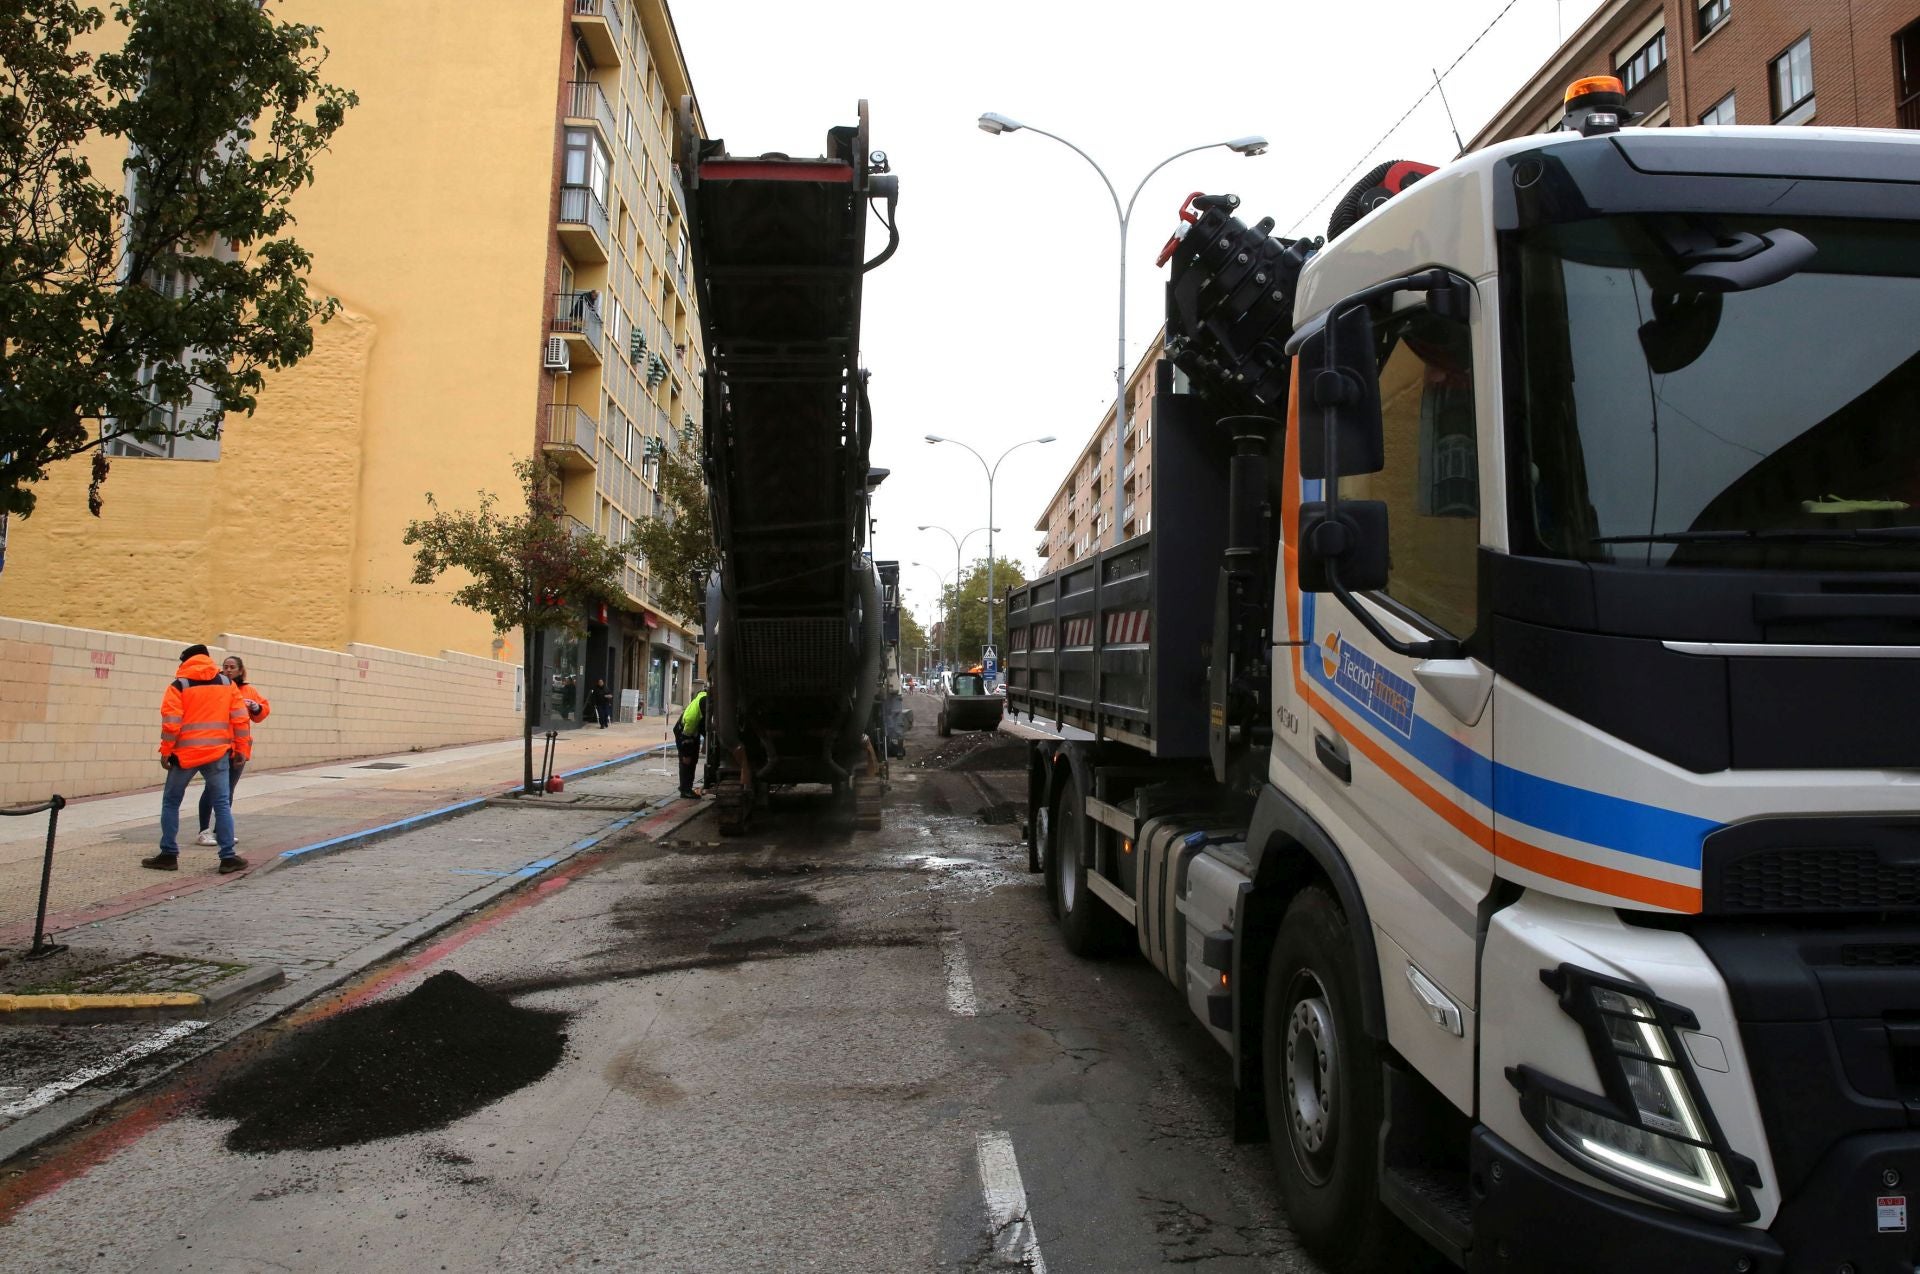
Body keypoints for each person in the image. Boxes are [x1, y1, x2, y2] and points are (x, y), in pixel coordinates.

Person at [144, 644, 251, 874]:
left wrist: (166, 750)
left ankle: (169, 855)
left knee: (171, 802)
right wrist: (241, 749)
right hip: (217, 754)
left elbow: (171, 723)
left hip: (184, 755)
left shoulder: (178, 686)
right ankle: (228, 857)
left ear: (185, 662)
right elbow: (240, 719)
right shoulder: (226, 684)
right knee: (222, 804)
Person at [196, 655, 269, 846]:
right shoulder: (217, 688)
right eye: (225, 667)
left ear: (240, 670)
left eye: (232, 667)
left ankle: (222, 831)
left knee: (228, 791)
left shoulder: (249, 690)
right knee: (211, 789)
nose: (228, 670)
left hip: (239, 748)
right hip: (218, 746)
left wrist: (256, 707)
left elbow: (261, 713)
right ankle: (204, 831)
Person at [675, 679, 709, 799]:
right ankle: (685, 790)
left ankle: (687, 787)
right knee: (687, 761)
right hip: (683, 732)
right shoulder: (692, 717)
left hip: (693, 732)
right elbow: (686, 736)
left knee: (693, 759)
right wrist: (686, 753)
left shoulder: (705, 698)